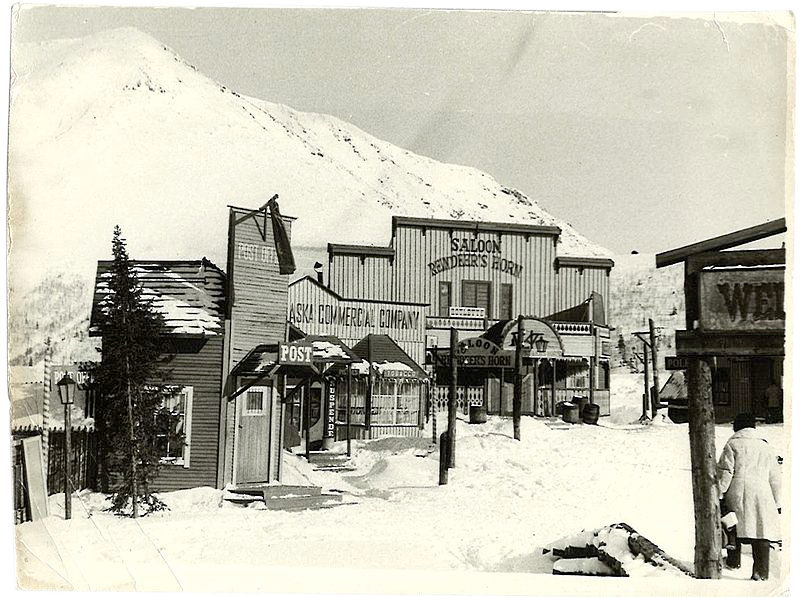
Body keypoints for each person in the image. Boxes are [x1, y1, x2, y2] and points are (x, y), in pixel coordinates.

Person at [717, 413, 782, 580]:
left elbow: (726, 471)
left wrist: (718, 493)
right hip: (762, 492)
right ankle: (761, 572)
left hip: (738, 491)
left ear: (737, 426)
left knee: (733, 525)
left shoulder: (733, 444)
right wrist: (777, 500)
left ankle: (733, 562)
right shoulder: (765, 446)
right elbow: (775, 476)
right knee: (761, 529)